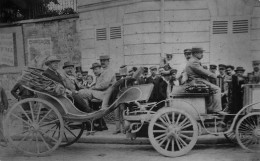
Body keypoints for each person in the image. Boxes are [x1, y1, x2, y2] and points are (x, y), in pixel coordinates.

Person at [185, 47, 226, 115]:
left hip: (196, 81)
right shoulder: (194, 61)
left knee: (211, 90)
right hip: (197, 81)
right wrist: (215, 76)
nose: (202, 54)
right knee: (217, 89)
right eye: (200, 53)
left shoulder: (193, 60)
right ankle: (216, 109)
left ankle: (210, 108)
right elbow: (202, 71)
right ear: (195, 53)